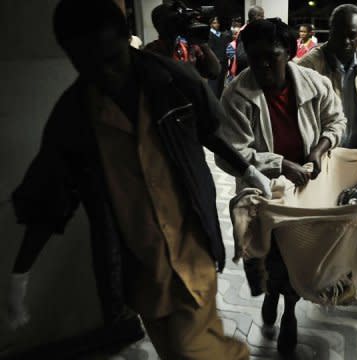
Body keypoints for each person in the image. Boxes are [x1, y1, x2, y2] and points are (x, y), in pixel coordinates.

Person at [5, 0, 273, 359]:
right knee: (170, 345)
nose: (106, 76)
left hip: (190, 245)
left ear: (124, 41)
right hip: (138, 265)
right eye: (88, 65)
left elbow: (211, 134)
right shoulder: (74, 117)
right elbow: (50, 196)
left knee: (193, 347)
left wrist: (247, 169)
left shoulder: (175, 83)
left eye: (112, 60)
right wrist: (19, 276)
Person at [216, 18, 346, 357]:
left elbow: (337, 120)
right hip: (265, 192)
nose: (261, 65)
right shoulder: (237, 94)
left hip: (306, 189)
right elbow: (232, 154)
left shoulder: (315, 84)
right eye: (253, 57)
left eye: (271, 57)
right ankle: (274, 294)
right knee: (271, 253)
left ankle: (289, 309)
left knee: (300, 252)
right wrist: (279, 165)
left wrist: (318, 150)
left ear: (289, 53)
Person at [298, 4, 357, 157]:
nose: (346, 41)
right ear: (331, 31)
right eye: (340, 35)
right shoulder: (308, 66)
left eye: (352, 36)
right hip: (322, 154)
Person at [144, 2, 221, 80]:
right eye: (175, 21)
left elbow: (214, 72)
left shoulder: (188, 46)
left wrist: (202, 43)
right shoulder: (152, 51)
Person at [226, 5, 264, 78]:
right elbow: (242, 57)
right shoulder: (246, 31)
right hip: (247, 73)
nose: (263, 18)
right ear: (256, 17)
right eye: (262, 16)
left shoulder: (254, 29)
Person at [208, 16, 231, 98]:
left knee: (221, 84)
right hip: (215, 61)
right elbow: (210, 49)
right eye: (214, 23)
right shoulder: (209, 34)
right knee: (214, 84)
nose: (216, 24)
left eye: (217, 22)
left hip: (223, 61)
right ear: (210, 24)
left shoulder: (219, 33)